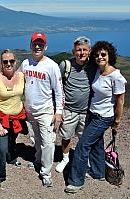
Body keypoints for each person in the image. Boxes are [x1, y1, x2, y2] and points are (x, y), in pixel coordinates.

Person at [65, 41, 127, 193]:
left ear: (110, 55)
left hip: (104, 117)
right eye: (98, 55)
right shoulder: (99, 71)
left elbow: (120, 101)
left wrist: (117, 121)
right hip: (92, 113)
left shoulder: (116, 76)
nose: (100, 57)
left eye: (103, 54)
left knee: (82, 146)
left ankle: (76, 181)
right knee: (96, 144)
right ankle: (98, 172)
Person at [19, 32, 64, 187]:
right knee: (35, 139)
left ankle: (46, 172)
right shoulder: (25, 63)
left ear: (45, 46)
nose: (37, 46)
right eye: (35, 44)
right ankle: (38, 160)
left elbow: (59, 90)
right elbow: (18, 81)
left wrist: (59, 111)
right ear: (30, 46)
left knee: (48, 142)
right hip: (30, 110)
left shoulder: (52, 66)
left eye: (41, 44)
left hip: (46, 110)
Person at [55, 36, 97, 173]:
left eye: (85, 50)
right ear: (73, 51)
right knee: (66, 137)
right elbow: (57, 85)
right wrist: (58, 110)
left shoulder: (94, 66)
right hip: (69, 110)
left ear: (89, 51)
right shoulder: (66, 65)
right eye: (79, 50)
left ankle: (84, 158)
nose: (81, 53)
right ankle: (65, 158)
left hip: (86, 111)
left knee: (84, 138)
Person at [0, 49, 26, 188]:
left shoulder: (21, 76)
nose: (8, 64)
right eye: (5, 61)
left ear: (15, 62)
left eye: (11, 61)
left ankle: (12, 158)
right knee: (2, 147)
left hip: (17, 117)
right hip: (1, 118)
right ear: (1, 64)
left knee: (12, 140)